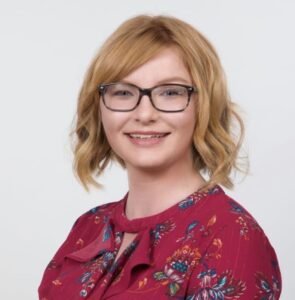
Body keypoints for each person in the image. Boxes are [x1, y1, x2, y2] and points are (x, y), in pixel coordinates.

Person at [38, 14, 282, 299]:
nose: (144, 114)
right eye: (123, 92)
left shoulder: (230, 237)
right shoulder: (89, 226)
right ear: (100, 107)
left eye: (170, 92)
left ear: (204, 106)